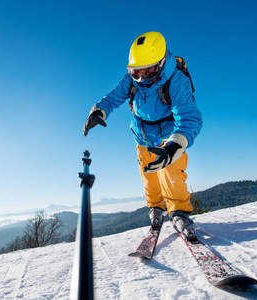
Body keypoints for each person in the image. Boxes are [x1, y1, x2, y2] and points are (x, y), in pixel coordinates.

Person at [83, 31, 203, 241]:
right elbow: (113, 97)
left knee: (171, 170)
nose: (141, 78)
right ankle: (156, 208)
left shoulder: (176, 79)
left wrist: (175, 145)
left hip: (169, 133)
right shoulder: (132, 81)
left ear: (162, 62)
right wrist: (99, 111)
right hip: (142, 135)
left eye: (149, 71)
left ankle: (179, 212)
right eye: (135, 72)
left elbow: (188, 116)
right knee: (148, 175)